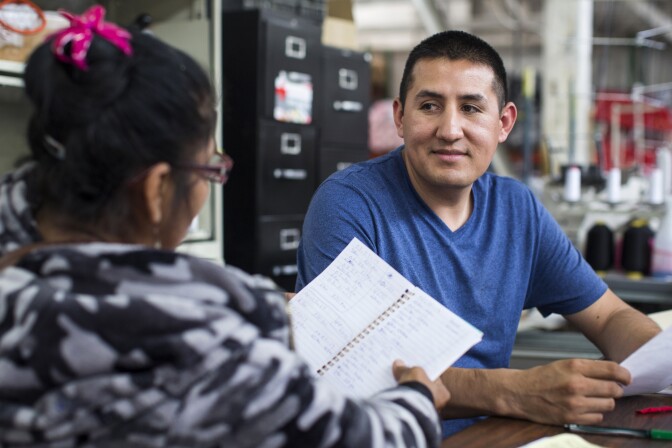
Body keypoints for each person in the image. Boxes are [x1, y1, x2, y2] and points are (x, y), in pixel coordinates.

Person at [0, 5, 451, 446]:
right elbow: (363, 438)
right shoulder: (208, 347)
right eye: (209, 170)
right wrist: (417, 398)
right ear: (156, 191)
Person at [295, 30, 662, 437]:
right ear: (400, 117)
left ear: (503, 123)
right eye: (430, 106)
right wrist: (514, 392)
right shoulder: (349, 205)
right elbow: (350, 367)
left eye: (471, 108)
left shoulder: (516, 209)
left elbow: (609, 314)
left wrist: (657, 358)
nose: (450, 130)